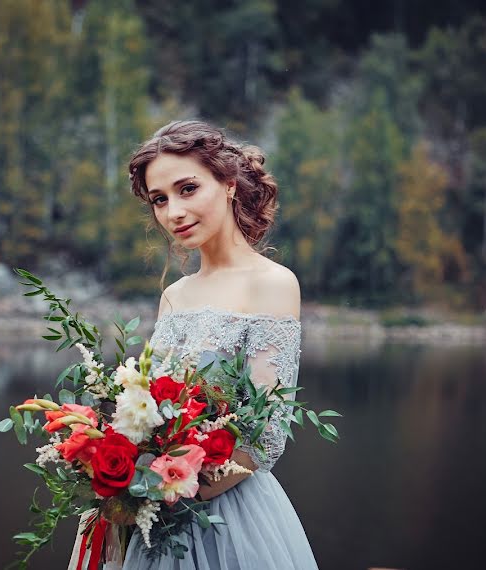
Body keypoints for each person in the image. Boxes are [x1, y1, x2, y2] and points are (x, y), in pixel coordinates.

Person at [68, 120, 318, 569]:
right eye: (159, 200)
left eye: (187, 189)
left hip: (229, 519)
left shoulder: (273, 284)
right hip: (153, 523)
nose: (173, 212)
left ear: (227, 183)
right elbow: (153, 412)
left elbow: (265, 437)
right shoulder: (175, 296)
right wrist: (121, 481)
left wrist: (161, 493)